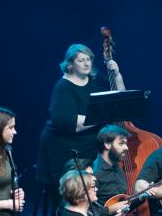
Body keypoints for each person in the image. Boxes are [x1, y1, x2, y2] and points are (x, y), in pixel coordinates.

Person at [36, 43, 124, 192]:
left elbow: (120, 98)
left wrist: (117, 75)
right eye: (81, 60)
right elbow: (68, 122)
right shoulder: (63, 87)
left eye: (88, 59)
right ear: (70, 64)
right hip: (65, 148)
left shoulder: (96, 80)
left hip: (91, 144)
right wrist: (103, 115)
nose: (86, 63)